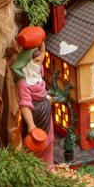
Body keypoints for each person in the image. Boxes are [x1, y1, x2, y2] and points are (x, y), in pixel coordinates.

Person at [13, 26, 54, 167]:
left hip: (45, 110)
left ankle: (49, 165)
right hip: (34, 114)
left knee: (49, 139)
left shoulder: (37, 73)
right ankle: (34, 168)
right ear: (27, 63)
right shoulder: (24, 83)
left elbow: (42, 54)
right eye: (36, 61)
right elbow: (25, 106)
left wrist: (40, 39)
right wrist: (31, 125)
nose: (39, 63)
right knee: (35, 143)